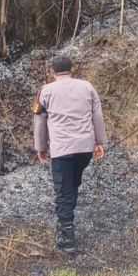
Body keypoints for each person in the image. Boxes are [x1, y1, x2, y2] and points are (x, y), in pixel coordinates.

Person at [32, 56, 107, 253]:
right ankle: (66, 223)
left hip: (62, 149)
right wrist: (100, 142)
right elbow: (97, 115)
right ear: (71, 69)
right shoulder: (87, 87)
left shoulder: (45, 91)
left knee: (63, 190)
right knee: (72, 183)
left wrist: (40, 148)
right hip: (84, 148)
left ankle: (67, 238)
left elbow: (39, 121)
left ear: (52, 71)